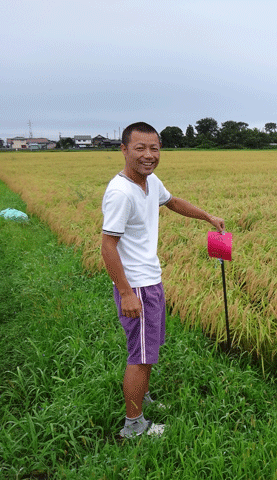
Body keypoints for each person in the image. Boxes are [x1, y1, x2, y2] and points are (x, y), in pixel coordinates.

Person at [101, 122, 224, 438]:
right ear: (124, 150)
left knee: (148, 350)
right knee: (140, 358)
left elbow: (172, 202)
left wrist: (207, 217)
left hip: (150, 281)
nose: (148, 155)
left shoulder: (149, 182)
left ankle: (140, 398)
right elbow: (107, 246)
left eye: (154, 148)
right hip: (137, 287)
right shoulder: (120, 192)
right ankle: (134, 426)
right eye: (140, 148)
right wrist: (126, 293)